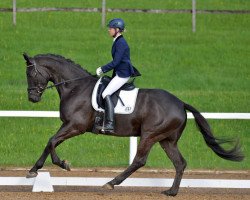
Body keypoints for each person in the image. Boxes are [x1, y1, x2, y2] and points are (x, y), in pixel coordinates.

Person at [96, 18, 140, 134]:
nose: (108, 30)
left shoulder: (121, 43)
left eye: (110, 28)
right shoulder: (117, 41)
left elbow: (116, 62)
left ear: (117, 30)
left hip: (123, 74)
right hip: (119, 72)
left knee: (106, 93)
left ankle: (110, 124)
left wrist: (102, 69)